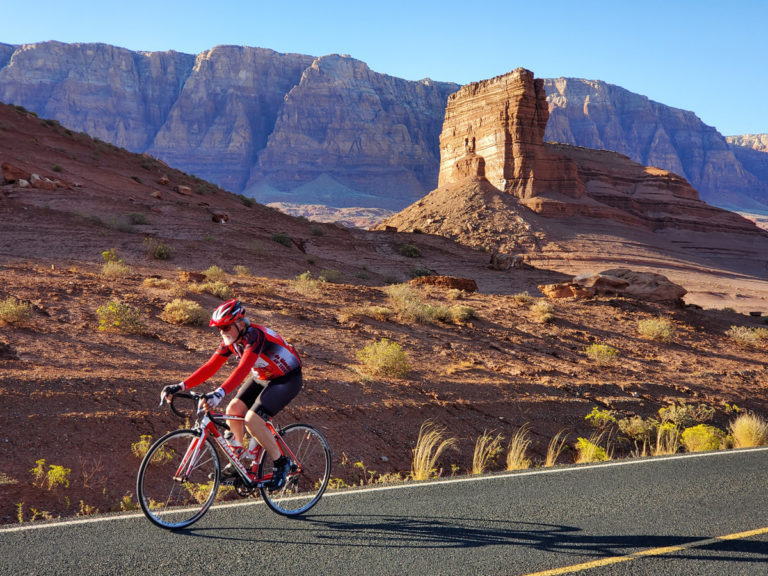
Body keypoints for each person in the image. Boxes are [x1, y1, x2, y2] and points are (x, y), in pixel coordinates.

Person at [161, 298, 302, 489]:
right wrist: (180, 386)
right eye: (219, 328)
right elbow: (210, 366)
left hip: (286, 378)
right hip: (262, 377)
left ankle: (281, 463)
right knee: (234, 408)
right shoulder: (232, 341)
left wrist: (219, 393)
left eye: (226, 327)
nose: (222, 331)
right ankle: (240, 461)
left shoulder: (255, 336)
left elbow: (243, 369)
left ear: (240, 323)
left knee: (253, 419)